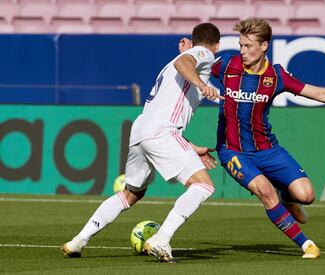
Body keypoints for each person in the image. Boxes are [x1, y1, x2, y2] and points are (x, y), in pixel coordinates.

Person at [210, 18, 325, 259]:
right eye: (240, 45)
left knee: (306, 196)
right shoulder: (226, 66)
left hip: (267, 148)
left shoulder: (277, 76)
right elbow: (193, 65)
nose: (242, 51)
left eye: (248, 46)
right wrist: (189, 53)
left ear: (264, 46)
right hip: (233, 150)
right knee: (265, 192)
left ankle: (288, 197)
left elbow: (319, 92)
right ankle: (307, 245)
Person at [62, 23, 222, 263]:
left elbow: (177, 82)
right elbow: (185, 63)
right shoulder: (203, 56)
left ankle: (79, 240)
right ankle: (162, 238)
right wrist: (202, 84)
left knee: (130, 194)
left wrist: (190, 146)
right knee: (204, 186)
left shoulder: (175, 64)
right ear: (217, 45)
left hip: (141, 131)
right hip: (161, 132)